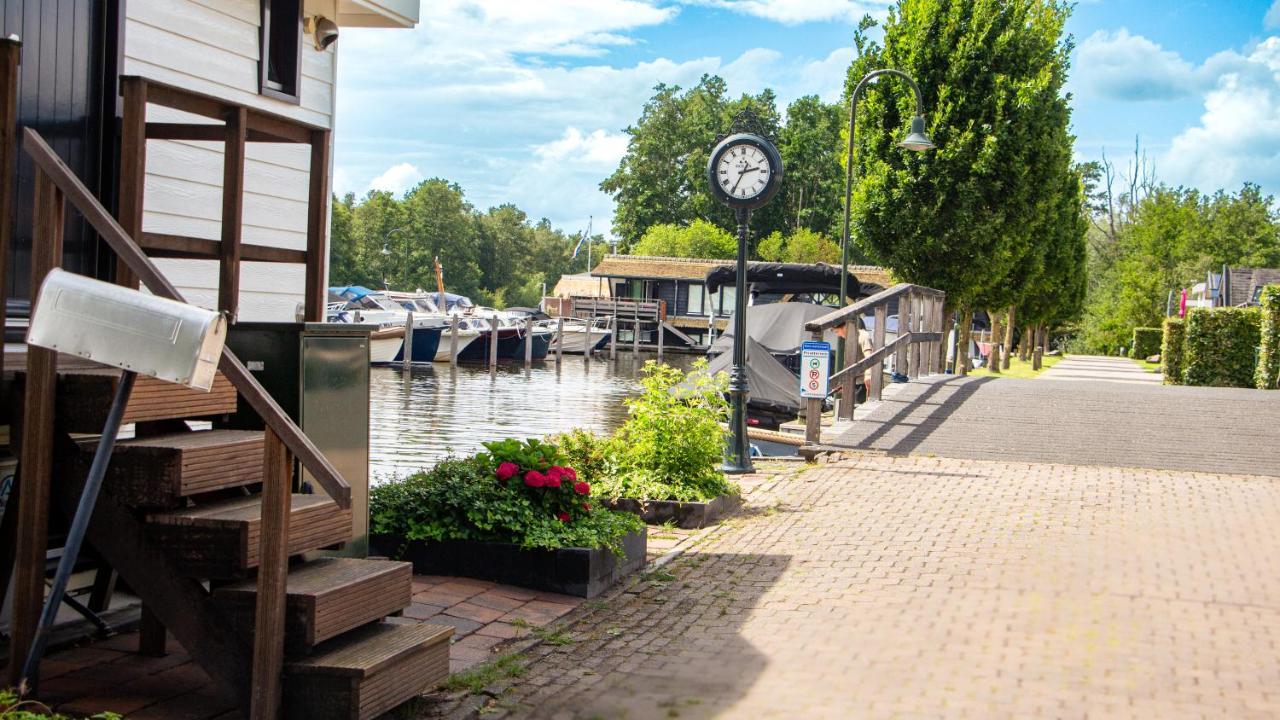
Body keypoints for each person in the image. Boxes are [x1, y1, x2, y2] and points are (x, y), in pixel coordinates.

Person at [833, 317, 875, 403]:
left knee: (859, 409)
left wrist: (868, 375)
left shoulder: (863, 336)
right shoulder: (850, 339)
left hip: (862, 382)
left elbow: (869, 356)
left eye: (837, 331)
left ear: (844, 327)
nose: (838, 335)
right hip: (854, 382)